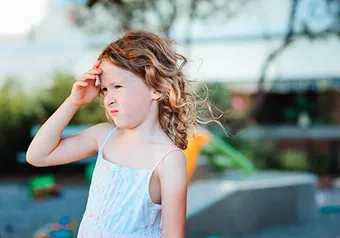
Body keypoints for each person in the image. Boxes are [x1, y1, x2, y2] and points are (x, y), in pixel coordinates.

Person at [26, 30, 209, 237]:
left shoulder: (168, 160)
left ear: (156, 88)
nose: (108, 99)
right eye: (104, 89)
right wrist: (73, 102)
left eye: (117, 86)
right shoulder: (104, 136)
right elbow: (37, 156)